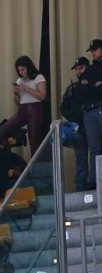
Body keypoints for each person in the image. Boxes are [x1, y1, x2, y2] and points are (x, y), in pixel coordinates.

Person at [0, 56, 48, 155]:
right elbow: (17, 102)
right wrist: (16, 93)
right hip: (22, 109)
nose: (21, 73)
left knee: (34, 141)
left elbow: (42, 96)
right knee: (1, 132)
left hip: (35, 109)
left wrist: (27, 89)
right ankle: (9, 158)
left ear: (29, 67)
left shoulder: (38, 77)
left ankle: (34, 168)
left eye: (23, 69)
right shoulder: (19, 80)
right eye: (19, 70)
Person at [62, 57, 93, 192]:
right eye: (77, 69)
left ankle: (95, 184)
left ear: (88, 68)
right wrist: (75, 120)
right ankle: (81, 190)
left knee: (97, 156)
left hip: (94, 126)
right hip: (80, 128)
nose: (79, 71)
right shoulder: (72, 88)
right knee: (81, 159)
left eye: (81, 68)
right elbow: (63, 108)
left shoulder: (95, 85)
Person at [79, 39, 102, 183]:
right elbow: (81, 90)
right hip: (89, 112)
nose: (93, 53)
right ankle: (94, 182)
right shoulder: (90, 70)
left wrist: (91, 86)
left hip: (99, 107)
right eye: (91, 50)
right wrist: (96, 85)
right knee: (94, 149)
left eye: (95, 49)